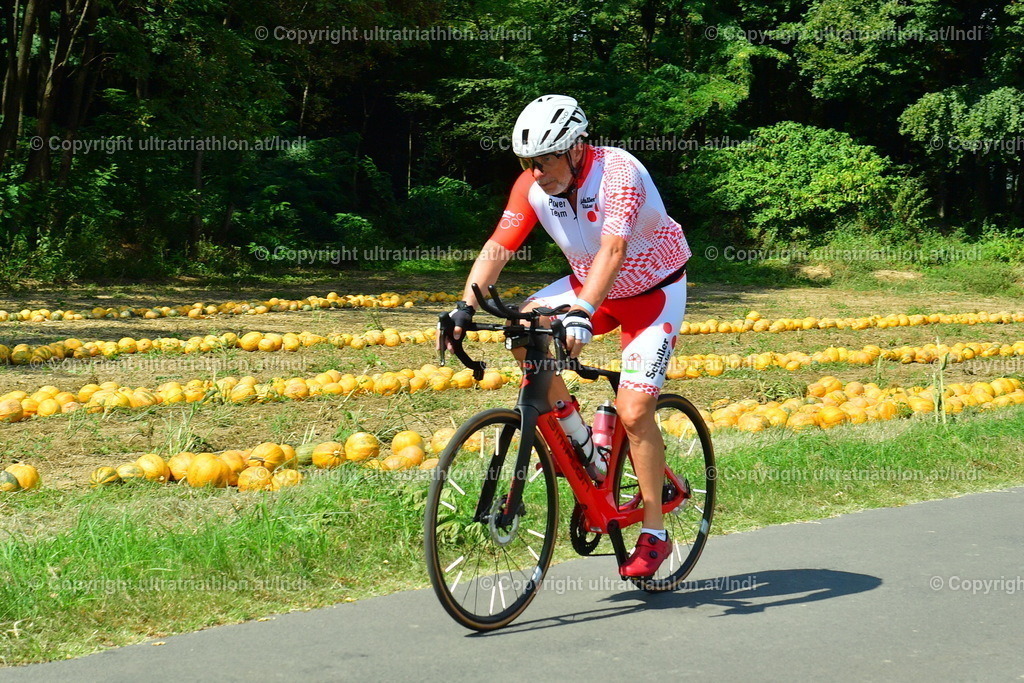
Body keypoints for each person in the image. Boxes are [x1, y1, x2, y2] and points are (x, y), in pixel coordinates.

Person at [440, 94, 690, 578]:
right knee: (520, 330)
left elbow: (613, 250)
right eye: (528, 162)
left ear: (577, 148)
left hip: (652, 294)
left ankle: (655, 530)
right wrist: (463, 308)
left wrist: (582, 311)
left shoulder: (619, 173)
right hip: (587, 285)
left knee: (634, 411)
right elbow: (499, 245)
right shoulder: (532, 186)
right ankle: (583, 445)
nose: (537, 172)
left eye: (547, 159)